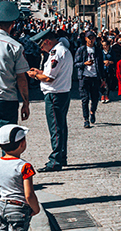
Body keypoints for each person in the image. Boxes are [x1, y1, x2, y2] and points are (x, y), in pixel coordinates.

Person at [0, 1, 31, 148]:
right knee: (9, 143)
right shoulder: (15, 46)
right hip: (7, 100)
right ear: (13, 24)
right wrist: (25, 103)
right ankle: (8, 169)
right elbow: (21, 78)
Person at [28, 29, 74, 172]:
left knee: (55, 128)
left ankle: (55, 160)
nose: (42, 50)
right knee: (61, 126)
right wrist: (41, 72)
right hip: (63, 92)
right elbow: (51, 73)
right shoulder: (62, 50)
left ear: (47, 42)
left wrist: (35, 75)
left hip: (54, 94)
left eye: (42, 46)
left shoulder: (56, 54)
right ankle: (62, 155)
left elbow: (49, 78)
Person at [0, 125, 40, 231]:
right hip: (19, 209)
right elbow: (29, 194)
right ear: (22, 143)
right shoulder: (25, 166)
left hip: (2, 207)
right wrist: (36, 209)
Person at [74, 31, 106, 128]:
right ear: (86, 39)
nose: (90, 40)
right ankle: (86, 119)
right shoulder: (81, 50)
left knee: (95, 98)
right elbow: (76, 63)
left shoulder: (98, 50)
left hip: (95, 77)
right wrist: (84, 63)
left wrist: (103, 79)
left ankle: (92, 111)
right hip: (84, 77)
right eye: (89, 38)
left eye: (92, 38)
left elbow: (101, 65)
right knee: (85, 99)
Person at [100, 38, 115, 104]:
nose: (104, 47)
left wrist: (110, 62)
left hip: (110, 69)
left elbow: (115, 60)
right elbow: (98, 60)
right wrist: (103, 62)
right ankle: (102, 95)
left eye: (105, 45)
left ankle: (107, 95)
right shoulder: (101, 52)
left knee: (109, 83)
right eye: (103, 45)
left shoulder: (112, 52)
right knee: (102, 82)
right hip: (103, 69)